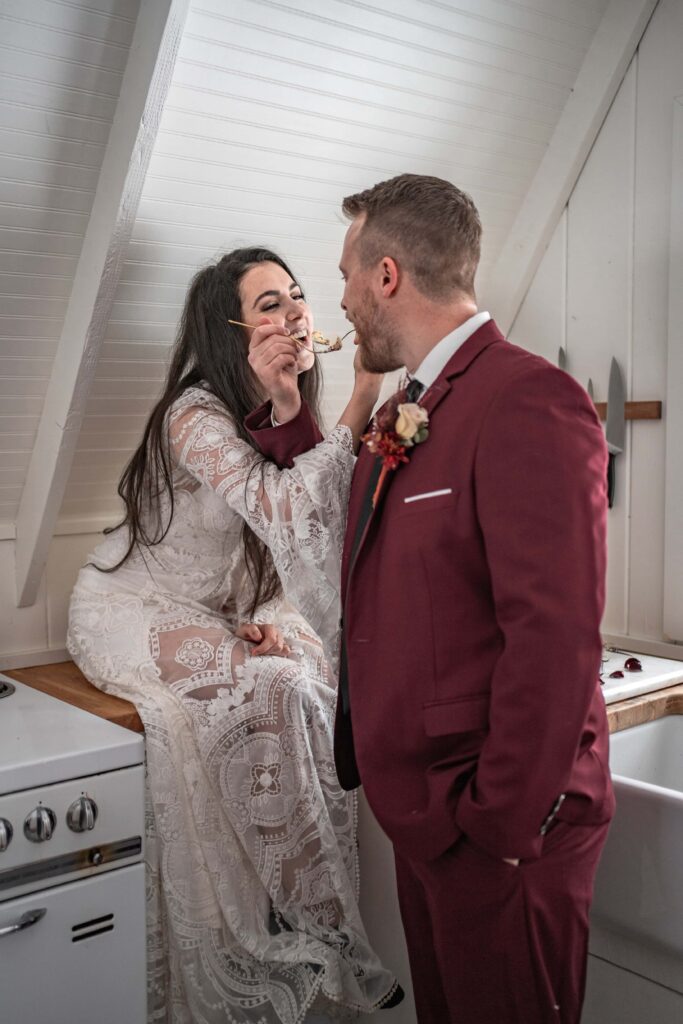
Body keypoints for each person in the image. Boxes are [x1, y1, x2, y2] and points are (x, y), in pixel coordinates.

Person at [245, 175, 616, 1024]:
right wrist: (290, 410)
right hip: (428, 820)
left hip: (499, 829)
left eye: (343, 274)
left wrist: (497, 825)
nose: (335, 299)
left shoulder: (527, 399)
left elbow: (555, 641)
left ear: (385, 276)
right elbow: (360, 548)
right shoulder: (410, 407)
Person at [66, 247, 403, 1024]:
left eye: (295, 296)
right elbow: (282, 505)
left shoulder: (286, 406)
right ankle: (313, 931)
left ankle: (315, 917)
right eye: (267, 305)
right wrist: (361, 394)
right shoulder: (194, 414)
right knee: (272, 688)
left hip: (219, 611)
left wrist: (272, 617)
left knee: (306, 672)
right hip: (128, 609)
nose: (292, 314)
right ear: (227, 331)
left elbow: (305, 538)